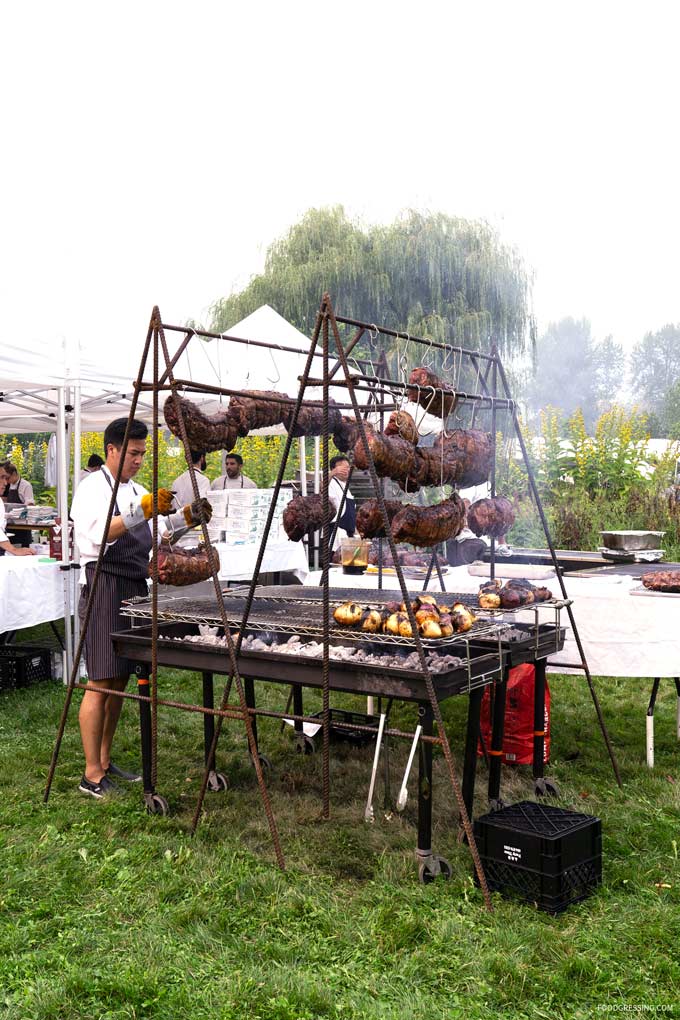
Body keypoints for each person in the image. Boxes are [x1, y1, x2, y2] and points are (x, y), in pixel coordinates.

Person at [70, 417, 212, 800]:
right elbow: (97, 534)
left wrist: (186, 519)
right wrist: (141, 510)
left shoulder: (138, 489)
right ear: (112, 450)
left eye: (142, 454)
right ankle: (90, 774)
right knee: (100, 680)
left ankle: (103, 758)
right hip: (104, 583)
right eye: (132, 453)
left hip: (133, 586)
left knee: (119, 681)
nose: (138, 460)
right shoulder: (90, 490)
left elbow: (161, 534)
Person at [0, 463, 36, 556]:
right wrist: (14, 550)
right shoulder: (8, 487)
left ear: (14, 474)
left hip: (23, 524)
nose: (5, 482)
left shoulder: (26, 485)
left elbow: (30, 504)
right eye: (2, 478)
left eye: (7, 478)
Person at [328, 454, 356, 553]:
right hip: (337, 535)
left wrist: (356, 534)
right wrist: (331, 474)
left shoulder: (345, 487)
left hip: (348, 535)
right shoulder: (331, 483)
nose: (346, 470)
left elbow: (351, 515)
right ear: (333, 469)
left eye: (348, 467)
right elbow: (321, 490)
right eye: (342, 468)